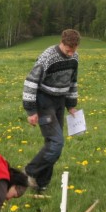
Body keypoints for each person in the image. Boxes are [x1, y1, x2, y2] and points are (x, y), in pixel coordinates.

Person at [22, 29, 81, 193]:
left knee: (53, 144)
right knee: (57, 143)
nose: (71, 53)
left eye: (74, 50)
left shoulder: (75, 58)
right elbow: (31, 82)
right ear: (62, 43)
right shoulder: (48, 56)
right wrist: (31, 110)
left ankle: (41, 184)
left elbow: (73, 81)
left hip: (60, 102)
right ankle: (28, 172)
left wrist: (71, 104)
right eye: (68, 50)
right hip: (44, 101)